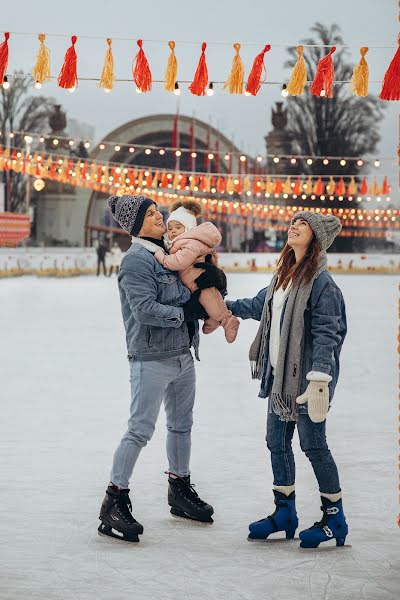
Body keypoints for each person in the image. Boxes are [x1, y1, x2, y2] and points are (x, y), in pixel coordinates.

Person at [98, 194, 227, 543]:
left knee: (181, 426)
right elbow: (144, 309)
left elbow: (193, 286)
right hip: (151, 357)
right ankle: (114, 499)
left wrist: (210, 281)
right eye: (152, 214)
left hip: (183, 354)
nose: (160, 217)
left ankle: (179, 488)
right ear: (136, 224)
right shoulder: (137, 261)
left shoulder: (168, 254)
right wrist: (188, 312)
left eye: (158, 211)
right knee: (139, 430)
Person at [226, 212, 348, 549]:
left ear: (316, 237)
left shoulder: (322, 283)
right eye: (293, 221)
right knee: (276, 442)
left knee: (313, 445)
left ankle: (334, 519)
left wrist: (320, 378)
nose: (293, 226)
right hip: (281, 380)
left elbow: (328, 332)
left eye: (303, 224)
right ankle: (285, 513)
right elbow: (257, 305)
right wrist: (222, 308)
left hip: (309, 381)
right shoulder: (284, 276)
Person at [154, 199, 239, 343]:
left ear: (188, 229)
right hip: (192, 282)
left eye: (178, 227)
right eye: (170, 228)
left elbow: (181, 261)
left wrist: (163, 259)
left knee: (210, 299)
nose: (173, 231)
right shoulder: (178, 242)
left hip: (199, 280)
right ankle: (212, 319)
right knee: (207, 302)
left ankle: (227, 320)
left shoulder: (189, 242)